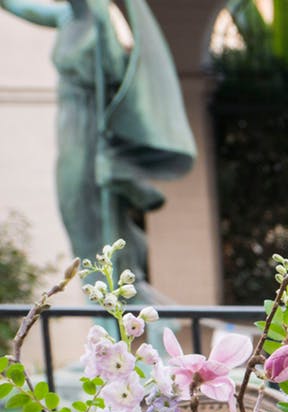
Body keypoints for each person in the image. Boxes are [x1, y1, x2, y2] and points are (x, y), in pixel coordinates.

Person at [1, 0, 195, 285]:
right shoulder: (66, 16)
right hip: (68, 123)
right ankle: (97, 290)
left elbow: (116, 70)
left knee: (82, 201)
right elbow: (19, 6)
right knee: (71, 205)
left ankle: (110, 285)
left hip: (90, 121)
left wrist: (104, 42)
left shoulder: (101, 17)